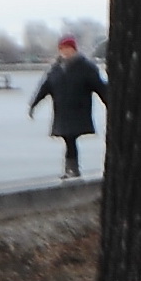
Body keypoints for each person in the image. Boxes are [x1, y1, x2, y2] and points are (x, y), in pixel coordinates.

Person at [29, 36, 109, 180]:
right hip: (62, 111)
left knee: (70, 138)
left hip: (78, 110)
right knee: (68, 138)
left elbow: (99, 86)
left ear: (74, 49)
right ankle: (71, 169)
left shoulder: (85, 67)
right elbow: (45, 87)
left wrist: (109, 102)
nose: (64, 52)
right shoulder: (56, 69)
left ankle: (72, 169)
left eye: (67, 49)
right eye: (62, 49)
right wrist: (34, 104)